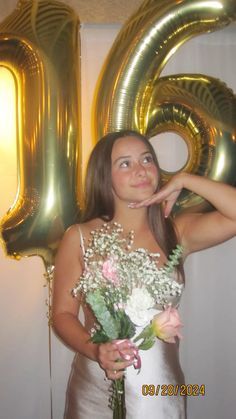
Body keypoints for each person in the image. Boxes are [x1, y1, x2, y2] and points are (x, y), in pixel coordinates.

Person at [52, 130, 236, 419]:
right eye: (125, 163)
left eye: (147, 159)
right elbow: (62, 315)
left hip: (160, 393)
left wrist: (185, 180)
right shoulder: (80, 237)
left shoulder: (175, 232)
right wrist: (97, 350)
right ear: (104, 176)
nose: (141, 170)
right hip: (97, 389)